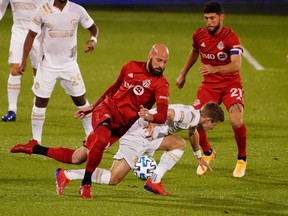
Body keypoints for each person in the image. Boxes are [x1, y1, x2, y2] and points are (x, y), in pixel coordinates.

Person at [11, 43, 170, 198]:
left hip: (120, 126)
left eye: (164, 62)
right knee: (101, 141)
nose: (161, 65)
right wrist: (93, 106)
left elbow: (162, 116)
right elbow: (114, 88)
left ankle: (35, 148)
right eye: (158, 60)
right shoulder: (130, 67)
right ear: (150, 55)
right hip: (106, 110)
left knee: (78, 158)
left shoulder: (161, 85)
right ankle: (86, 184)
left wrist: (150, 116)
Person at [53, 102, 224, 197]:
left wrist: (198, 156)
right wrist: (153, 121)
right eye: (214, 125)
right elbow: (169, 113)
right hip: (137, 135)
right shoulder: (190, 116)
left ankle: (154, 181)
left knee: (178, 144)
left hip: (150, 136)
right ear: (208, 119)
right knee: (113, 178)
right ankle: (66, 175)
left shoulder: (193, 117)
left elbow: (192, 133)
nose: (213, 128)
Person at [176, 1, 247, 178]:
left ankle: (241, 159)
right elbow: (194, 52)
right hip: (209, 85)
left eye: (212, 18)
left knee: (236, 121)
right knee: (197, 119)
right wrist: (183, 74)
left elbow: (236, 65)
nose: (208, 22)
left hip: (231, 83)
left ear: (221, 17)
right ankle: (208, 153)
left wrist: (215, 69)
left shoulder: (231, 37)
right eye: (206, 18)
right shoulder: (199, 35)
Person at [18, 0, 99, 143]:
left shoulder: (77, 10)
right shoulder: (43, 10)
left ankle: (90, 135)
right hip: (47, 65)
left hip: (69, 65)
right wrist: (24, 59)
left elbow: (93, 28)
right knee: (41, 101)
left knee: (80, 99)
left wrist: (93, 40)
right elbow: (31, 35)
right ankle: (36, 140)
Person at [0, 0, 47, 122]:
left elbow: (53, 10)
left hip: (39, 34)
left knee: (39, 72)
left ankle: (37, 107)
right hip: (19, 32)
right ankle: (12, 110)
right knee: (15, 70)